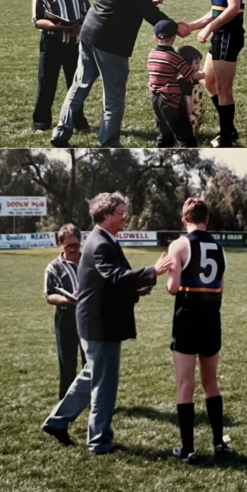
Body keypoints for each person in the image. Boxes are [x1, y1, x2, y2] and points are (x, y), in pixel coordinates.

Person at [41, 192, 173, 452]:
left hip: (97, 322)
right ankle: (99, 440)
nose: (125, 217)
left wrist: (135, 289)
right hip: (100, 325)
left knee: (91, 375)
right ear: (106, 215)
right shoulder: (101, 243)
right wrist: (153, 271)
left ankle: (57, 422)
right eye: (121, 213)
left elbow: (108, 283)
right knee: (104, 383)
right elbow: (115, 276)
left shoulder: (104, 239)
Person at [51, 0, 190, 148]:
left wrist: (147, 0)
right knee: (113, 98)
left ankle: (60, 132)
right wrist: (174, 27)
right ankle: (109, 143)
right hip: (111, 43)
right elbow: (149, 13)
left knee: (79, 85)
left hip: (89, 34)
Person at [167, 197, 231, 463]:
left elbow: (173, 287)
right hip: (211, 320)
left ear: (184, 220)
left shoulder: (179, 245)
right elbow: (221, 288)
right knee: (211, 382)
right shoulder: (219, 248)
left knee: (185, 383)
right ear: (207, 220)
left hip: (187, 320)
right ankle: (218, 443)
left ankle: (188, 449)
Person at [187, 0, 246, 148]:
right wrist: (192, 26)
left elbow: (233, 8)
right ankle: (229, 129)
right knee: (209, 81)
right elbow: (216, 11)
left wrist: (209, 28)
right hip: (221, 35)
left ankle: (226, 138)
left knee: (223, 87)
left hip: (229, 35)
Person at [31, 0, 90, 134]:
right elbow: (37, 21)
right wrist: (58, 27)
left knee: (76, 85)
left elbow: (89, 14)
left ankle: (78, 121)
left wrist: (80, 27)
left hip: (74, 45)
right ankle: (41, 123)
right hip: (52, 44)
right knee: (47, 85)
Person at [44, 224, 85, 399]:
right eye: (69, 246)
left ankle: (94, 400)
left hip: (89, 316)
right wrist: (67, 300)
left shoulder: (89, 262)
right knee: (67, 362)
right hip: (66, 317)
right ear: (60, 245)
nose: (74, 249)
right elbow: (49, 295)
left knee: (91, 361)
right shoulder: (54, 267)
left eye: (76, 245)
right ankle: (66, 401)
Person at [147, 18, 198, 148]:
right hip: (170, 100)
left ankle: (161, 155)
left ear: (155, 38)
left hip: (155, 99)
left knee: (164, 133)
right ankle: (189, 155)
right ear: (174, 38)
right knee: (184, 135)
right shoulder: (175, 58)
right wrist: (205, 74)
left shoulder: (152, 54)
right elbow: (190, 75)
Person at [177, 45, 206, 135]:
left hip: (197, 107)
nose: (199, 66)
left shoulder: (193, 77)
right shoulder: (185, 81)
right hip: (192, 110)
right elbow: (187, 98)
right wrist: (190, 114)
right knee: (190, 127)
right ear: (187, 64)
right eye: (196, 63)